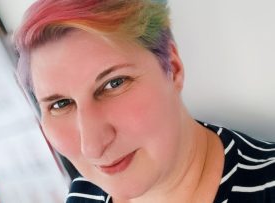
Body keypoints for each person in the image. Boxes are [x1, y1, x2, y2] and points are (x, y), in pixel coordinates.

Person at [14, 0, 275, 202]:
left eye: (114, 84)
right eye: (60, 104)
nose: (92, 147)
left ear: (173, 67)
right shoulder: (86, 191)